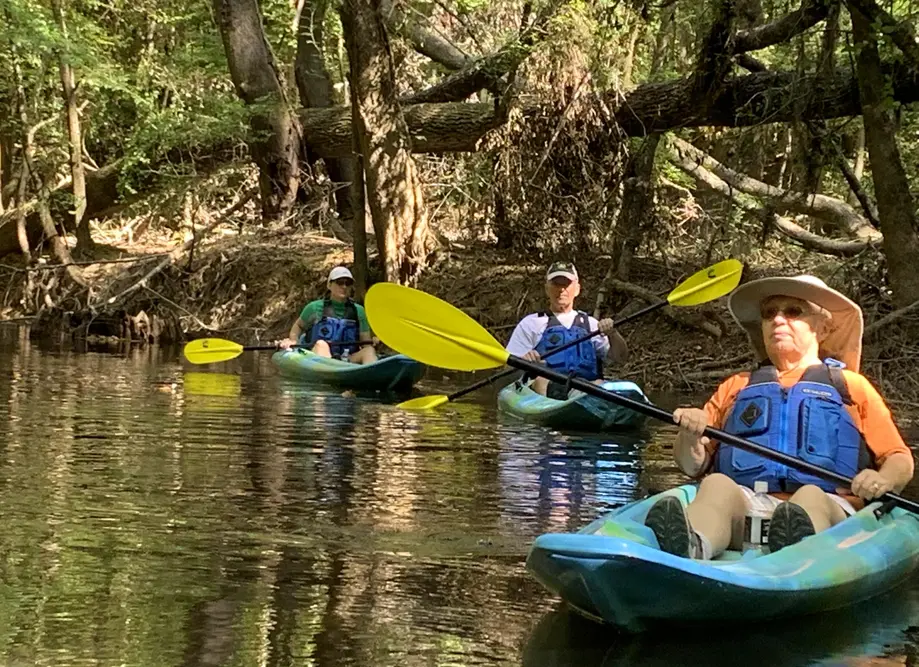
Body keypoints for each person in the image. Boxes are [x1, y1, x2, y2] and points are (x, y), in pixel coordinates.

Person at [644, 275, 914, 558]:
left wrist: (882, 480)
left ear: (821, 328)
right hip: (749, 504)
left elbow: (899, 458)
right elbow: (692, 465)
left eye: (793, 311)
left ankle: (797, 552)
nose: (777, 319)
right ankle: (693, 544)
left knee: (809, 496)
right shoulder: (736, 386)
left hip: (832, 509)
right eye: (769, 313)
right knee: (716, 485)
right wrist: (689, 435)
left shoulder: (850, 387)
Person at [505, 261, 629, 398]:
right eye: (556, 283)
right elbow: (507, 368)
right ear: (547, 289)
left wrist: (613, 333)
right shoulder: (531, 324)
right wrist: (524, 363)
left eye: (566, 284)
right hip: (545, 392)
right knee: (541, 381)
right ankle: (549, 413)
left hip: (587, 389)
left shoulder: (592, 325)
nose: (561, 289)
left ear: (577, 289)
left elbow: (621, 359)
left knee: (599, 383)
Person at [279, 266, 378, 364]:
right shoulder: (314, 308)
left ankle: (373, 375)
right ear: (329, 285)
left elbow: (365, 342)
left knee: (369, 351)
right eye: (339, 282)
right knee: (321, 344)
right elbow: (299, 326)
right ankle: (332, 372)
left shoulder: (359, 311)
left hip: (347, 359)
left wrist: (372, 343)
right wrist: (294, 341)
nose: (344, 287)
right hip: (318, 357)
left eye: (348, 283)